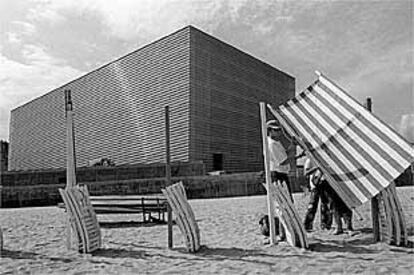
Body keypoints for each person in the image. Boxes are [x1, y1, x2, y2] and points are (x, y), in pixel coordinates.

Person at [303, 158, 333, 232]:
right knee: (312, 206)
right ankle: (307, 225)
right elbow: (306, 173)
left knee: (326, 205)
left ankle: (326, 224)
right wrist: (317, 168)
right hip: (315, 185)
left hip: (325, 184)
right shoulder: (309, 160)